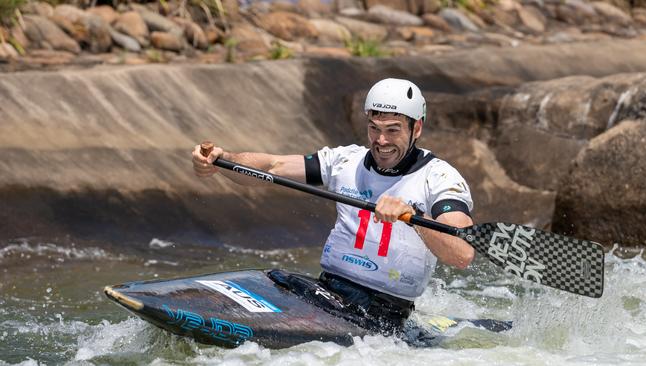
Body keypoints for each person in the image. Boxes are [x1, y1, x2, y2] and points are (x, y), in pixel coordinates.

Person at [192, 78, 475, 335]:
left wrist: (412, 215)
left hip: (382, 315)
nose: (381, 141)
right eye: (374, 129)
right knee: (273, 277)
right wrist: (222, 160)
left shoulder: (439, 177)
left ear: (417, 128)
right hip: (327, 292)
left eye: (393, 130)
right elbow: (273, 166)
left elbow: (462, 253)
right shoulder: (345, 161)